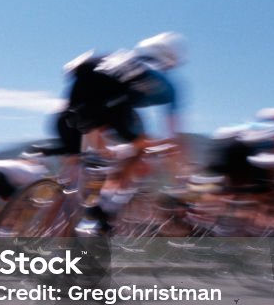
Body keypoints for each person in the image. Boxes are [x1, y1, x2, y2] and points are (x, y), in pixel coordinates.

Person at [53, 31, 186, 230]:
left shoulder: (116, 56)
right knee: (141, 146)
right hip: (113, 108)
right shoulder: (163, 81)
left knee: (75, 168)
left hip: (75, 101)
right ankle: (106, 206)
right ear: (171, 61)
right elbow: (174, 136)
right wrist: (178, 173)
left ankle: (49, 217)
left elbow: (75, 72)